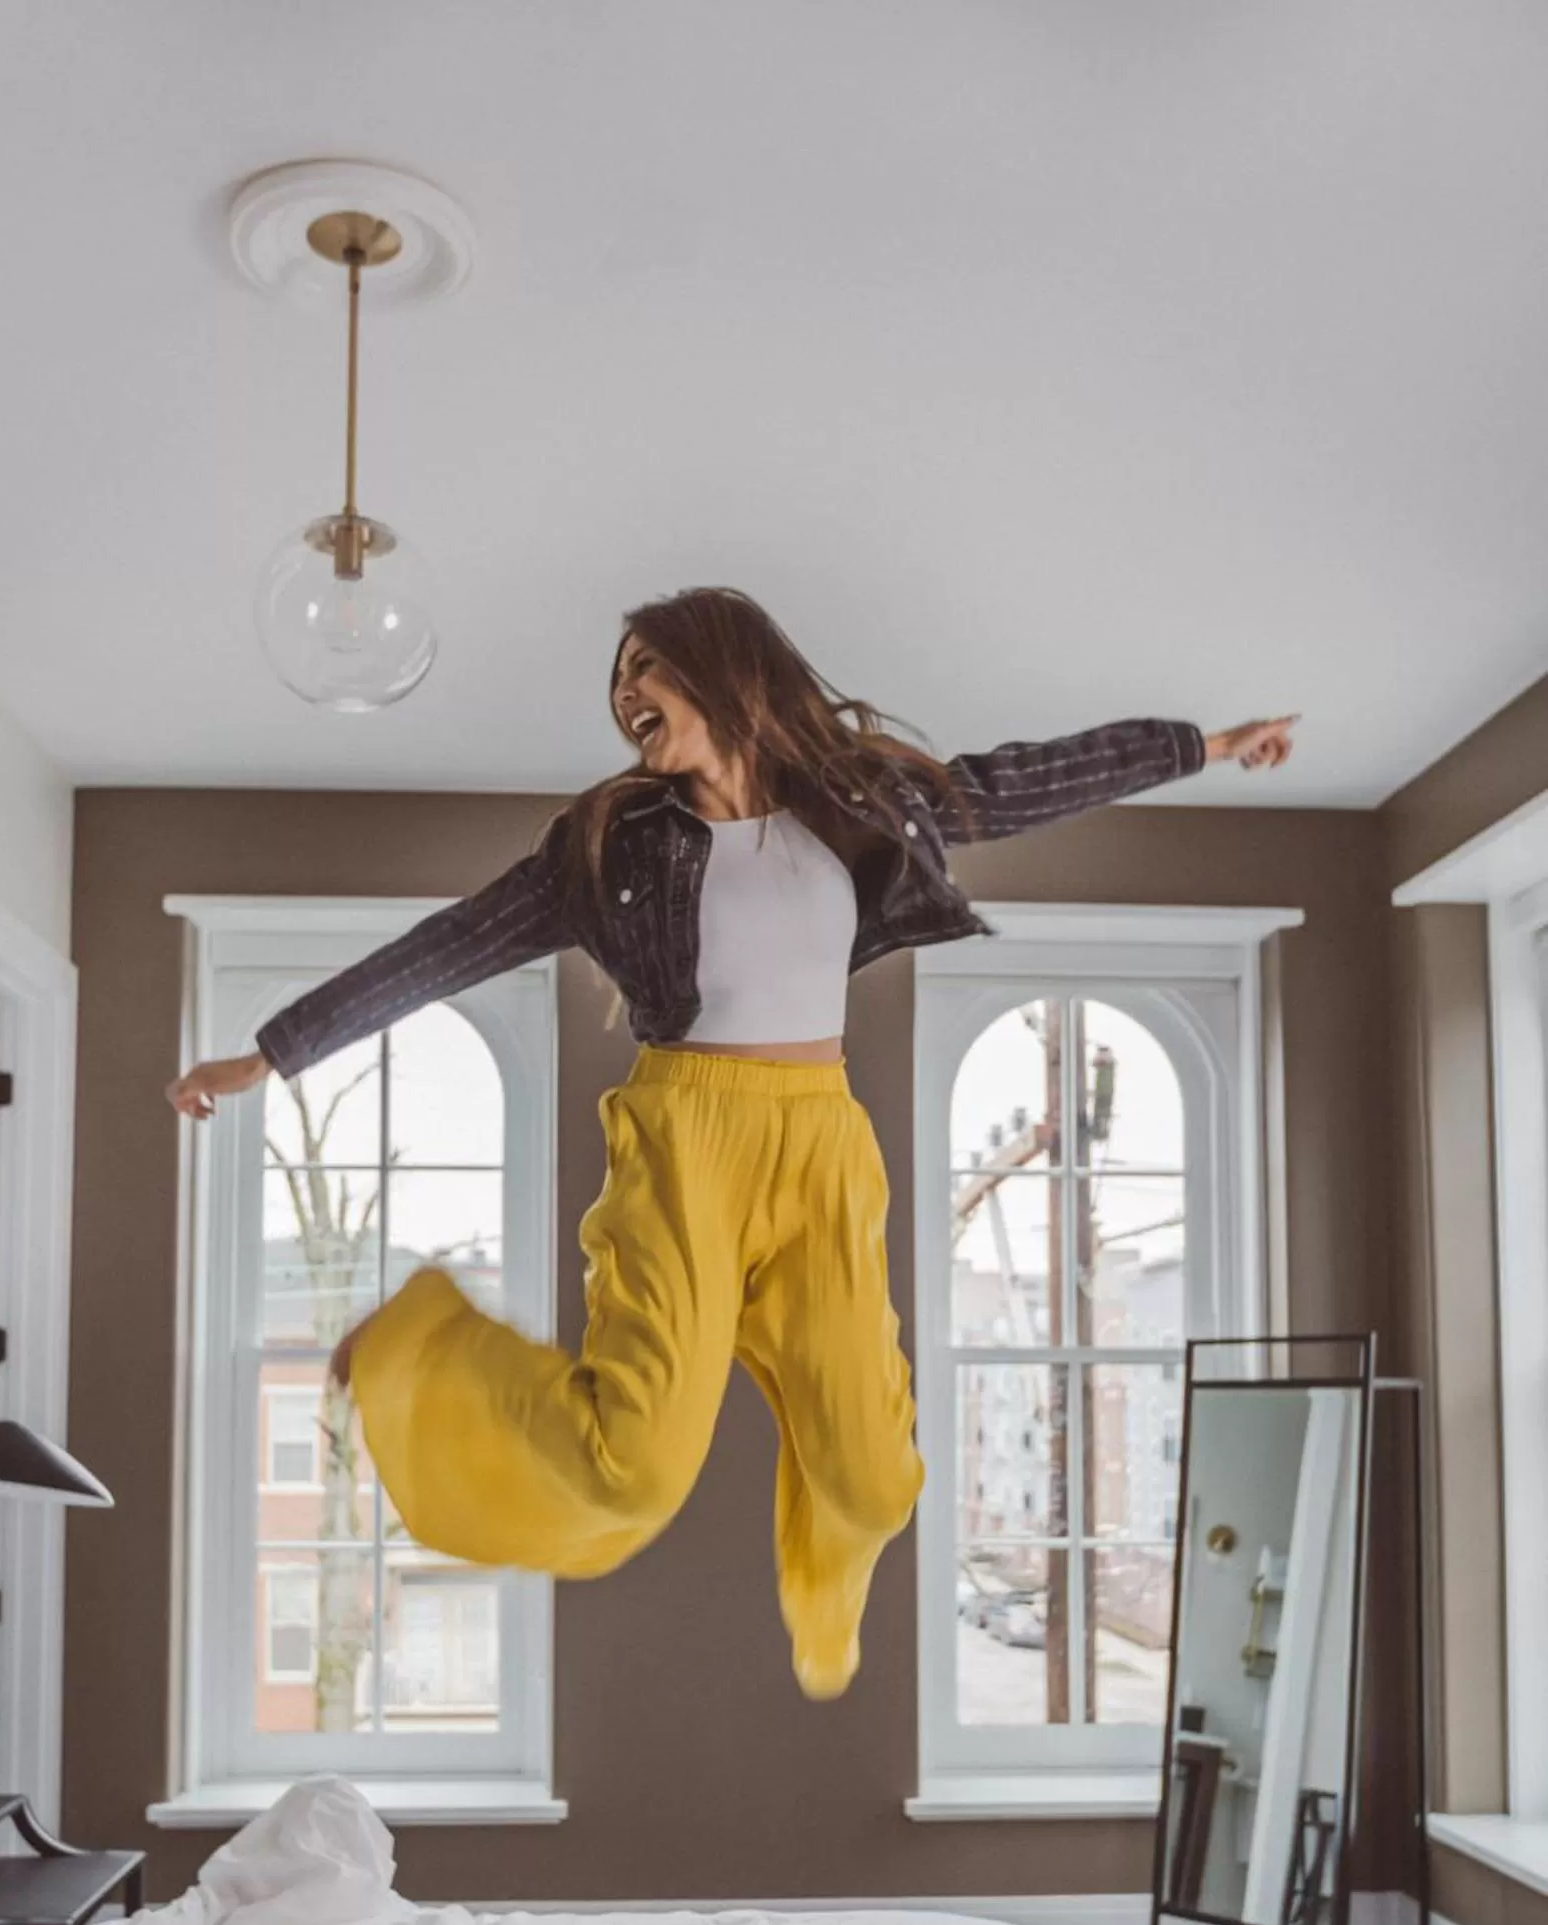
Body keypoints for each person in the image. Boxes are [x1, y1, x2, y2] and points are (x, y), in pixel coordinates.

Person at [169, 587, 1295, 1699]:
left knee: (872, 1475)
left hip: (821, 1144)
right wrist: (272, 1052)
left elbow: (1028, 778)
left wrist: (1201, 744)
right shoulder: (610, 840)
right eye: (616, 681)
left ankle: (824, 1594)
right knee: (633, 1474)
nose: (623, 695)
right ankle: (414, 1344)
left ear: (725, 671)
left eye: (645, 668)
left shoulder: (866, 797)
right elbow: (454, 942)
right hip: (685, 1141)